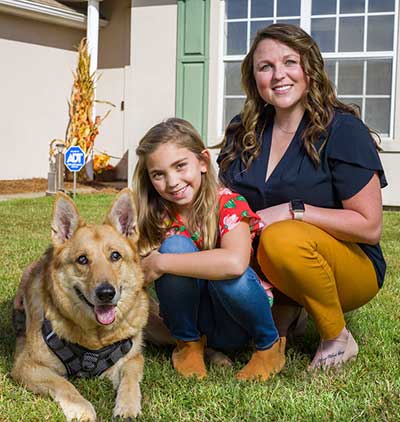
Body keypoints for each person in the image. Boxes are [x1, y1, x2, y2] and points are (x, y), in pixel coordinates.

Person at [218, 23, 387, 370]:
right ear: (255, 78)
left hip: (347, 265)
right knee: (226, 333)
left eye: (289, 62)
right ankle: (284, 315)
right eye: (266, 67)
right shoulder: (243, 128)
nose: (279, 75)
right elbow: (224, 200)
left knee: (281, 238)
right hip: (263, 261)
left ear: (309, 68)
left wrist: (295, 211)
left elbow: (369, 227)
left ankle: (336, 337)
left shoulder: (342, 130)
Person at [132, 117, 285, 381]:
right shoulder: (156, 216)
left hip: (237, 323)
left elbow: (235, 263)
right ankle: (188, 346)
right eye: (158, 174)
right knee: (177, 245)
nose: (172, 182)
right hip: (188, 322)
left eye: (180, 166)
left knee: (227, 276)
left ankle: (268, 346)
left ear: (203, 161)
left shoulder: (228, 203)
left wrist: (161, 263)